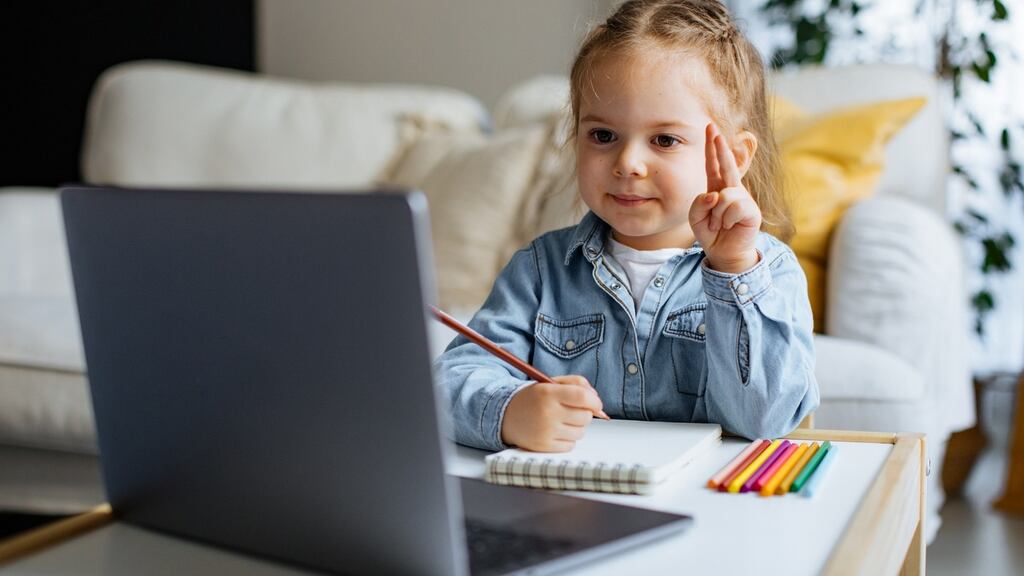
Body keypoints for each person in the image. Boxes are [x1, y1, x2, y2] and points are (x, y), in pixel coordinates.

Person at [434, 0, 818, 452]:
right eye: (602, 136)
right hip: (573, 504)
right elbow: (447, 384)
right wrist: (510, 409)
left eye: (664, 140)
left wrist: (732, 268)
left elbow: (765, 420)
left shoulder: (767, 271)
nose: (628, 163)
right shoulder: (540, 271)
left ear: (733, 158)